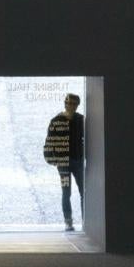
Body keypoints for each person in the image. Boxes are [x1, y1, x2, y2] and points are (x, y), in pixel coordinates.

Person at [42, 92, 86, 229]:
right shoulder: (57, 120)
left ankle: (86, 221)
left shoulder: (80, 120)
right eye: (68, 103)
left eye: (73, 103)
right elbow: (49, 141)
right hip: (64, 163)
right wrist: (53, 158)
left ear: (77, 105)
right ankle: (68, 221)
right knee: (66, 191)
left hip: (77, 160)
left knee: (83, 191)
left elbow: (87, 139)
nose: (70, 106)